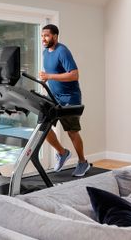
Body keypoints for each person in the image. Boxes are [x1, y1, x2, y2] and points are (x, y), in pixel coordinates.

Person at [39, 24, 90, 177]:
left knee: (72, 132)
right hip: (53, 96)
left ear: (55, 36)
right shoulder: (45, 53)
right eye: (42, 36)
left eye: (46, 35)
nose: (43, 38)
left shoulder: (62, 51)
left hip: (70, 98)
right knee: (43, 127)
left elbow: (74, 75)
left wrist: (49, 76)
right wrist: (45, 80)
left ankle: (82, 162)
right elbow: (52, 73)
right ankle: (62, 153)